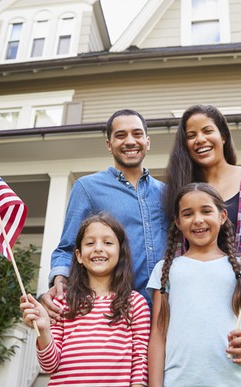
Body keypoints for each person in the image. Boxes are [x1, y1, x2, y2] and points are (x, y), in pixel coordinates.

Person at [162, 104, 241, 387]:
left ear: (223, 135)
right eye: (191, 134)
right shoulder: (182, 190)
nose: (200, 139)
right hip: (200, 310)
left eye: (207, 130)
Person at [41, 109, 168, 317]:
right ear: (109, 145)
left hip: (165, 312)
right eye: (120, 135)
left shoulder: (166, 194)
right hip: (114, 314)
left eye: (137, 134)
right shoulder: (87, 188)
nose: (129, 141)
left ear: (147, 141)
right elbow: (68, 248)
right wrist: (59, 280)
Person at [147, 182, 241, 386]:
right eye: (188, 214)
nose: (198, 220)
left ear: (222, 216)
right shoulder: (165, 269)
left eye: (206, 211)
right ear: (177, 222)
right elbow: (158, 336)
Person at [20, 212, 151, 387]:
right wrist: (43, 330)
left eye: (108, 242)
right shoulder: (62, 302)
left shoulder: (135, 303)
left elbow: (140, 361)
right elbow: (49, 365)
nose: (98, 248)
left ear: (120, 252)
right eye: (90, 243)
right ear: (79, 255)